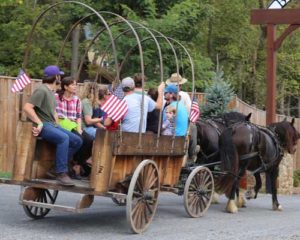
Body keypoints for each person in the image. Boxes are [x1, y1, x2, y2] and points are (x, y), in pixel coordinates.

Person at [23, 65, 82, 186]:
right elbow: (27, 108)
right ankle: (61, 172)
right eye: (59, 75)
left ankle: (55, 167)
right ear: (56, 77)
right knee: (63, 138)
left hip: (52, 124)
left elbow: (53, 111)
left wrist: (57, 124)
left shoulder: (51, 91)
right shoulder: (41, 90)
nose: (60, 77)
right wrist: (39, 123)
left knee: (77, 140)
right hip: (44, 125)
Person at [55, 76, 93, 179]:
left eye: (76, 84)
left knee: (89, 140)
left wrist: (79, 129)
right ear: (66, 87)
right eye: (73, 85)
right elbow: (54, 113)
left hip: (73, 124)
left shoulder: (77, 99)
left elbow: (78, 116)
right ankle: (70, 165)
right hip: (62, 123)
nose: (75, 86)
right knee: (79, 139)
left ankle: (77, 163)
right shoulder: (57, 97)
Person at [166, 73, 200, 161]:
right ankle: (192, 154)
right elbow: (189, 110)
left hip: (167, 122)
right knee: (193, 128)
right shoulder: (183, 95)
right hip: (179, 124)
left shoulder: (165, 94)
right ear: (180, 85)